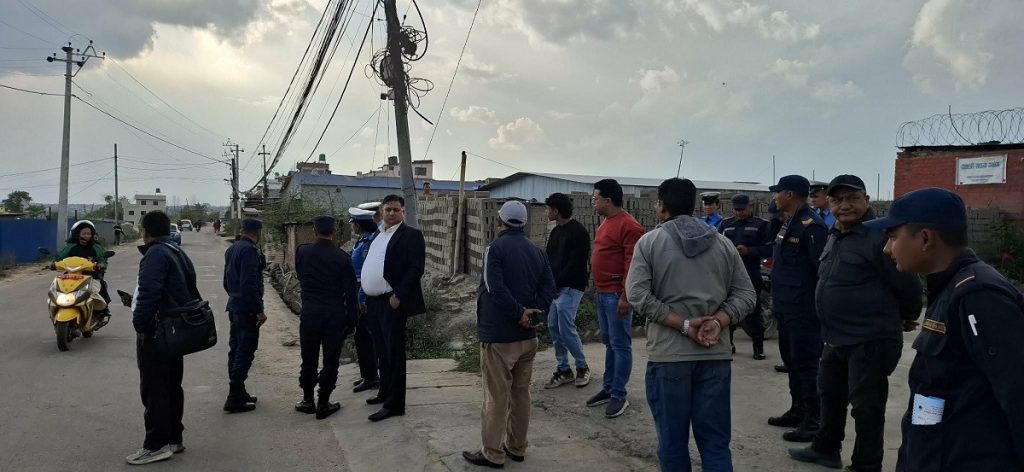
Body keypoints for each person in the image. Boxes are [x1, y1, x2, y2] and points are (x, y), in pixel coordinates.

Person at [863, 188, 1024, 471]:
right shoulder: (949, 288)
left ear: (925, 238)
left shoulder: (979, 295)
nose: (887, 249)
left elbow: (1017, 393)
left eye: (893, 237)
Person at [788, 175, 923, 471]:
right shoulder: (835, 234)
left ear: (867, 200)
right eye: (837, 200)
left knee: (866, 407)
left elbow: (908, 284)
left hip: (870, 337)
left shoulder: (880, 237)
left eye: (852, 198)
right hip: (835, 336)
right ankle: (826, 449)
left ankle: (866, 464)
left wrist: (907, 316)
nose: (844, 206)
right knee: (830, 395)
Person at [627, 178, 756, 472]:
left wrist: (684, 325)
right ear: (694, 205)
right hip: (715, 354)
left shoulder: (650, 243)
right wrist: (718, 321)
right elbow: (746, 295)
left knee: (672, 443)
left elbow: (637, 295)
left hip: (669, 358)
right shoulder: (723, 244)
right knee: (715, 444)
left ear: (662, 207)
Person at [462, 201, 556, 469]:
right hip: (527, 339)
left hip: (500, 337)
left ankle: (492, 453)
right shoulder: (537, 252)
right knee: (521, 393)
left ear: (499, 221)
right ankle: (517, 446)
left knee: (496, 396)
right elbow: (549, 288)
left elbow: (495, 288)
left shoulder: (495, 249)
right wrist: (532, 315)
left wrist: (519, 313)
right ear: (524, 223)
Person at [127, 211, 195, 465]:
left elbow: (148, 294)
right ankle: (174, 438)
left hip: (157, 332)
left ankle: (156, 445)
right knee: (171, 386)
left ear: (146, 232)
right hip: (174, 332)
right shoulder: (176, 251)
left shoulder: (155, 254)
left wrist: (140, 326)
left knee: (154, 388)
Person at [765, 175, 828, 443]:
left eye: (777, 192)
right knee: (792, 362)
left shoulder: (812, 226)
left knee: (806, 366)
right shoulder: (789, 222)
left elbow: (820, 272)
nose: (774, 197)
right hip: (785, 306)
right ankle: (797, 410)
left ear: (789, 194)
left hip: (803, 311)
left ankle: (813, 421)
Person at [361, 194, 426, 422]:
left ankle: (395, 404)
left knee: (394, 354)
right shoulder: (379, 234)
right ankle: (384, 392)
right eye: (387, 209)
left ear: (403, 212)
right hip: (374, 302)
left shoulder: (411, 235)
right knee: (381, 351)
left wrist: (399, 294)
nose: (391, 213)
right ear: (382, 211)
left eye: (395, 210)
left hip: (392, 302)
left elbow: (416, 268)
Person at [586, 179, 645, 418]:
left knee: (620, 345)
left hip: (616, 295)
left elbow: (633, 265)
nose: (593, 203)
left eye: (595, 199)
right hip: (603, 293)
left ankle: (619, 394)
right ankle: (609, 387)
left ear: (608, 200)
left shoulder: (629, 226)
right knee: (610, 344)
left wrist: (626, 296)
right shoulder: (605, 223)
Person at [294, 216, 359, 420]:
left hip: (310, 314)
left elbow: (300, 276)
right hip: (334, 315)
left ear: (314, 231)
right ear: (335, 232)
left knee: (309, 358)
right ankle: (323, 403)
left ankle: (307, 400)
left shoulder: (303, 252)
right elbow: (351, 294)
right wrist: (353, 322)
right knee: (331, 360)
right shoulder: (342, 258)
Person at [542, 193, 592, 389]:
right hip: (556, 288)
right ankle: (564, 369)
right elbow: (548, 261)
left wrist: (555, 284)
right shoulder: (556, 232)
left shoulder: (578, 232)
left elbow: (575, 264)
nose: (546, 212)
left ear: (556, 210)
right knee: (553, 326)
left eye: (548, 209)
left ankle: (582, 366)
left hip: (571, 287)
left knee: (566, 328)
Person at [718, 194, 773, 360]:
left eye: (742, 209)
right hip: (730, 272)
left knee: (753, 309)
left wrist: (749, 251)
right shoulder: (726, 224)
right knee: (727, 307)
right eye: (736, 209)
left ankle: (758, 346)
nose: (739, 212)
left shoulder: (761, 225)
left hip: (751, 272)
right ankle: (729, 344)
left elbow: (769, 249)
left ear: (750, 206)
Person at [221, 218, 267, 413]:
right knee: (245, 351)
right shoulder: (249, 251)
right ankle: (234, 397)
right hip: (247, 309)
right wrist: (258, 310)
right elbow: (249, 283)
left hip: (235, 306)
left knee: (236, 349)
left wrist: (235, 296)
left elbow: (226, 281)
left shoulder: (232, 249)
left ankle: (239, 391)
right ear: (258, 232)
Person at [349, 206, 380, 393]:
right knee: (360, 337)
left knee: (365, 337)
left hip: (364, 292)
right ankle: (366, 374)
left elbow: (366, 274)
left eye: (353, 223)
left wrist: (361, 299)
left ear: (359, 225)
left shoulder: (370, 243)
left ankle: (371, 377)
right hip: (358, 290)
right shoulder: (361, 241)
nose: (352, 226)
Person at [56, 220, 112, 319]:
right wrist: (53, 264)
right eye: (84, 233)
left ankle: (103, 309)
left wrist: (101, 265)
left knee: (100, 287)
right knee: (57, 290)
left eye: (89, 233)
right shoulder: (70, 247)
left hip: (91, 276)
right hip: (70, 276)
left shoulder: (96, 247)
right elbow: (60, 258)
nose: (87, 236)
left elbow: (102, 260)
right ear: (77, 234)